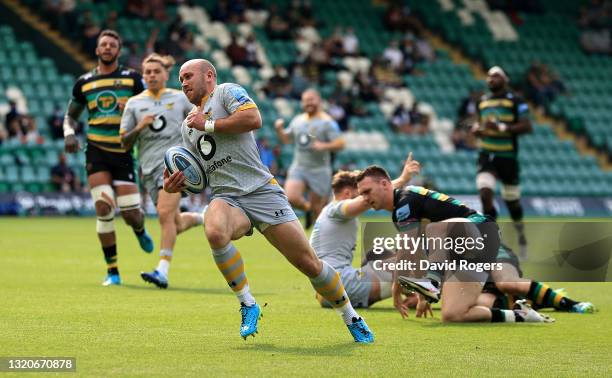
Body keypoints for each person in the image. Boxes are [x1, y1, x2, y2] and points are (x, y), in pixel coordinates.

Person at [164, 59, 374, 342]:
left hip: (261, 191)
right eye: (180, 79)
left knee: (309, 264)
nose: (184, 83)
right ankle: (248, 303)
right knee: (214, 231)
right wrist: (177, 184)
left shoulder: (226, 92)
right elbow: (199, 176)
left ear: (209, 76)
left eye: (188, 76)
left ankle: (352, 317)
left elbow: (254, 119)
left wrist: (209, 123)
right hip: (227, 197)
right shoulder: (188, 127)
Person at [356, 164, 553, 323]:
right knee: (453, 315)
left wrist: (399, 288)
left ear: (384, 184)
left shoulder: (405, 200)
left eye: (367, 191)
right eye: (361, 194)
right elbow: (411, 253)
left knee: (436, 229)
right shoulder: (401, 210)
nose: (364, 199)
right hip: (463, 252)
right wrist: (409, 290)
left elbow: (408, 249)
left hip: (480, 232)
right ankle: (521, 315)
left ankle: (432, 284)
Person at [63, 29, 154, 286]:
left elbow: (151, 107)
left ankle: (139, 230)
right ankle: (112, 270)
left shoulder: (133, 79)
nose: (107, 48)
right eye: (103, 44)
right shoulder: (84, 83)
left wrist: (135, 108)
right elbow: (71, 116)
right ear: (97, 49)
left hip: (124, 151)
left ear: (118, 50)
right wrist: (69, 133)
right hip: (97, 151)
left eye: (112, 45)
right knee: (103, 208)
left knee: (131, 213)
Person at [120, 53, 204, 289]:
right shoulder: (134, 104)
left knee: (165, 215)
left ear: (166, 75)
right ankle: (202, 218)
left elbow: (199, 121)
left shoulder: (180, 100)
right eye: (147, 72)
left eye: (156, 72)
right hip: (147, 169)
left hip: (174, 165)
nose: (152, 76)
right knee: (174, 223)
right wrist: (139, 127)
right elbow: (124, 143)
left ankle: (162, 270)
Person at [310, 153, 419, 309]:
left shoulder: (328, 213)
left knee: (377, 252)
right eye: (361, 192)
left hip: (327, 288)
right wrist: (402, 179)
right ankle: (435, 291)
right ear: (348, 193)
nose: (365, 196)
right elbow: (362, 202)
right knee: (410, 260)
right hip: (343, 284)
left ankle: (413, 294)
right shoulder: (337, 209)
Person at [471, 66, 532, 259]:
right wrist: (477, 129)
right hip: (487, 155)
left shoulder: (516, 101)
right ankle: (491, 240)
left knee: (512, 202)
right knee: (485, 193)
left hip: (507, 157)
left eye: (495, 75)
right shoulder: (482, 101)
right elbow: (481, 124)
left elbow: (526, 126)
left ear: (505, 79)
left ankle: (521, 236)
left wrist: (501, 126)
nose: (491, 79)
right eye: (488, 76)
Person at [274, 89, 345, 228]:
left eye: (311, 99)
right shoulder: (298, 120)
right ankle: (308, 210)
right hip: (299, 166)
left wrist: (324, 145)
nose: (308, 103)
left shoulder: (327, 122)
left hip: (319, 169)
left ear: (319, 101)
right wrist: (279, 129)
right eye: (306, 100)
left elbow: (340, 143)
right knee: (291, 197)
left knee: (317, 206)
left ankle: (318, 238)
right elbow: (287, 139)